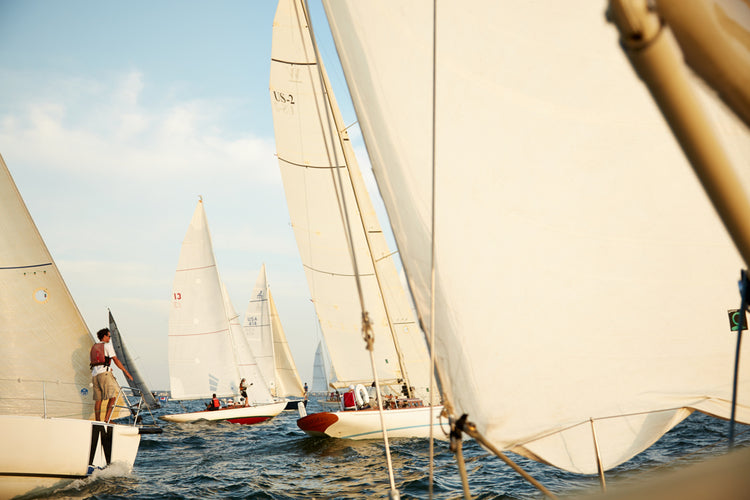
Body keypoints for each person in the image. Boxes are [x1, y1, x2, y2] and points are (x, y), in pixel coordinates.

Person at [90, 328, 133, 422]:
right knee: (112, 397)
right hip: (104, 375)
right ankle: (107, 419)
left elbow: (97, 362)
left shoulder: (94, 347)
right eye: (109, 336)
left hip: (94, 375)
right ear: (104, 336)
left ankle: (98, 420)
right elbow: (116, 360)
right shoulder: (107, 346)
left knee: (98, 400)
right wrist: (126, 372)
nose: (110, 338)